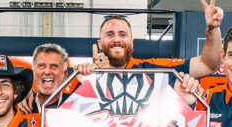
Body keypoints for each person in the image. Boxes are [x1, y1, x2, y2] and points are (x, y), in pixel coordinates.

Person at [78, 1, 224, 77]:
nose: (117, 39)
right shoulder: (85, 76)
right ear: (99, 44)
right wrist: (85, 76)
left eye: (123, 34)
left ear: (132, 43)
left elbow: (208, 65)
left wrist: (213, 29)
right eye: (110, 34)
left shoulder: (152, 69)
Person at [18, 43, 75, 113]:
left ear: (65, 74)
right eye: (41, 66)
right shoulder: (21, 104)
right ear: (33, 73)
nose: (47, 72)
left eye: (54, 66)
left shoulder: (75, 103)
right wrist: (19, 96)